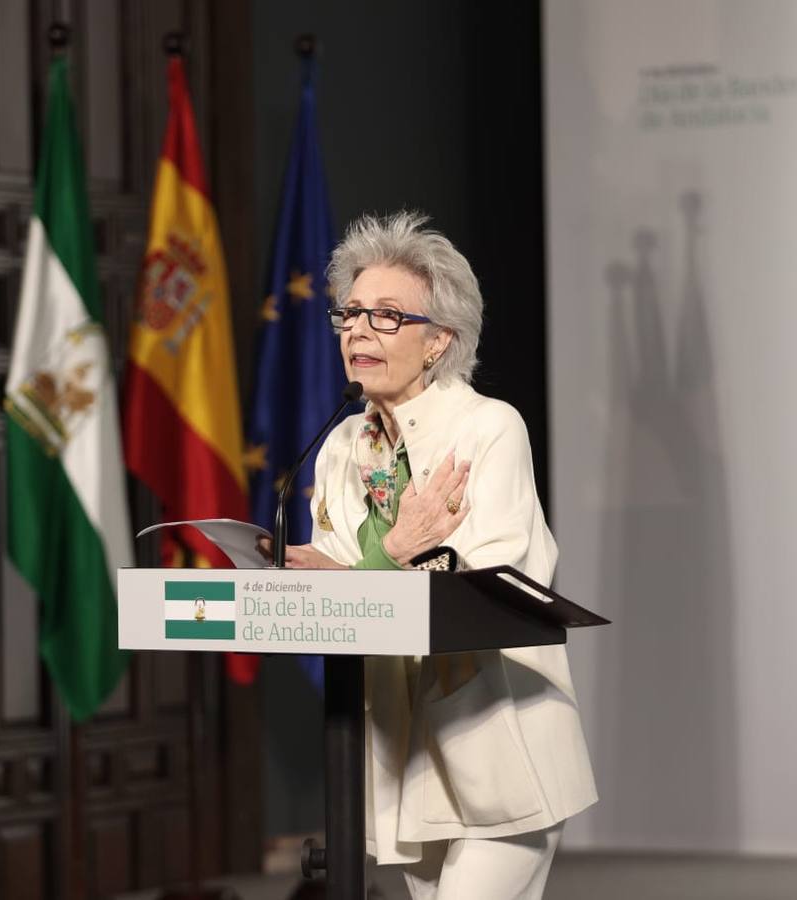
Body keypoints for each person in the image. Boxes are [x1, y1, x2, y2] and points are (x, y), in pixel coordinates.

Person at [279, 212, 597, 899]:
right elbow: (338, 599)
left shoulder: (488, 429)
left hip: (499, 746)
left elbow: (492, 588)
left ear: (439, 341)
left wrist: (376, 566)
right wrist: (390, 554)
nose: (359, 330)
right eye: (351, 313)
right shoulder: (339, 446)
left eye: (387, 316)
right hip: (401, 758)